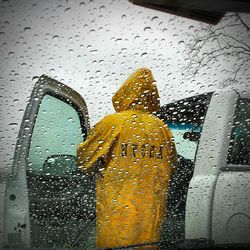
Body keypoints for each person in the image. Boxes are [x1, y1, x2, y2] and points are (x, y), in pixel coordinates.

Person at [77, 68, 177, 248]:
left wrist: (99, 166)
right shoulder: (162, 129)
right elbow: (172, 165)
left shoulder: (112, 123)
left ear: (126, 91)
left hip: (116, 218)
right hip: (150, 218)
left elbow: (84, 159)